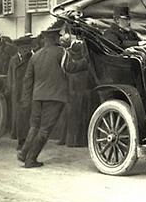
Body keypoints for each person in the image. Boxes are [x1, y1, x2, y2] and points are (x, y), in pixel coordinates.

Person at [17, 25, 87, 168]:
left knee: (35, 126)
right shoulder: (61, 52)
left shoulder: (35, 56)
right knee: (45, 130)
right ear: (56, 38)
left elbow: (27, 80)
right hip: (55, 97)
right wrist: (86, 63)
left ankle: (24, 153)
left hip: (37, 97)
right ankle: (30, 160)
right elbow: (70, 68)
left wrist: (26, 100)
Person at [6, 34, 37, 150]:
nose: (26, 49)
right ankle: (21, 141)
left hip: (31, 91)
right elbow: (10, 76)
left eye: (28, 47)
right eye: (23, 47)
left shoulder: (33, 58)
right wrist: (10, 90)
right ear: (19, 48)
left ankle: (30, 141)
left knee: (30, 117)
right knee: (20, 118)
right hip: (18, 93)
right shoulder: (14, 60)